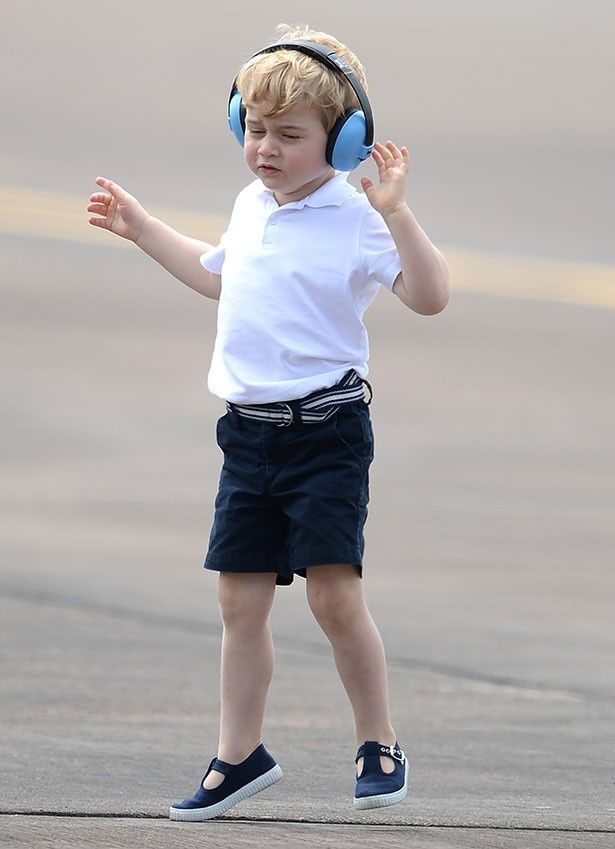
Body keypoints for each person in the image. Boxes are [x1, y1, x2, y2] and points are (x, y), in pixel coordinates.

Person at [87, 23, 449, 821]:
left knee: (332, 596)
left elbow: (429, 295)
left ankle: (377, 740)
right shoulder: (252, 205)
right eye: (255, 129)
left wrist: (398, 217)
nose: (266, 149)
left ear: (345, 139)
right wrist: (143, 230)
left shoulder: (356, 215)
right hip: (246, 433)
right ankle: (238, 753)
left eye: (289, 135)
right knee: (238, 602)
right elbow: (221, 278)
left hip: (326, 432)